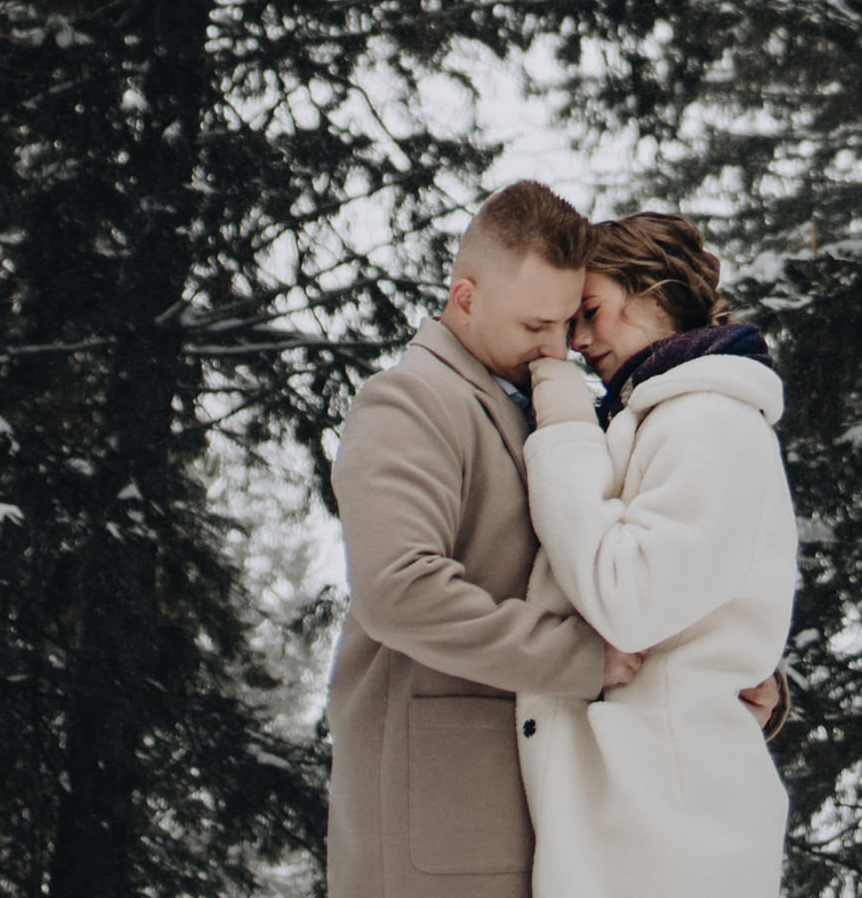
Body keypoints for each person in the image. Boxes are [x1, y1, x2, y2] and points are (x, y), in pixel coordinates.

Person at [325, 181, 634, 898]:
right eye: (535, 325)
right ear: (464, 298)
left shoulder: (551, 410)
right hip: (444, 827)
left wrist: (722, 675)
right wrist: (578, 658)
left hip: (546, 821)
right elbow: (400, 592)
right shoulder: (410, 401)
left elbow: (620, 562)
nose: (558, 346)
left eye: (567, 322)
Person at [514, 213, 799, 898]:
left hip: (672, 833)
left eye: (591, 313)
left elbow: (631, 600)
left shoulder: (710, 419)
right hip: (650, 817)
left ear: (654, 291)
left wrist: (564, 430)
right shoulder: (668, 416)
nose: (579, 342)